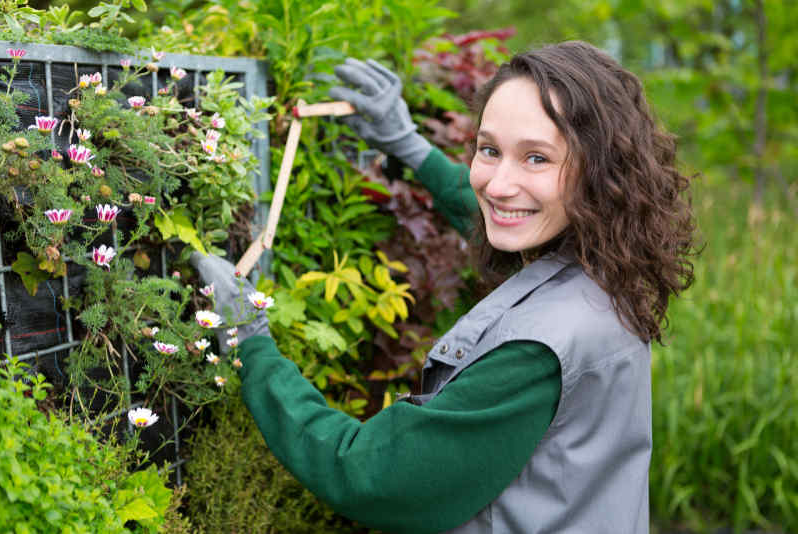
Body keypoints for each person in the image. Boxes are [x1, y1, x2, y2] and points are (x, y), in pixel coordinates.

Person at [191, 41, 697, 533]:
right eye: (489, 149)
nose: (497, 184)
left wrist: (250, 339)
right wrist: (408, 144)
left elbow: (374, 476)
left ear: (599, 172)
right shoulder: (604, 265)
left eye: (537, 158)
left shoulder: (535, 353)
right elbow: (499, 215)